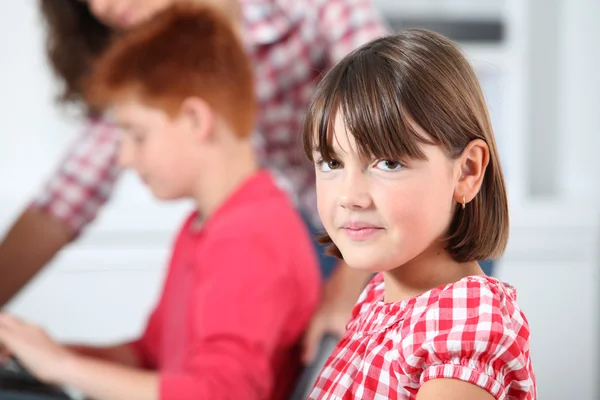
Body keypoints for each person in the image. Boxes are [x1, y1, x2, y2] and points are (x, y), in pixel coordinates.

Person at [0, 0, 390, 361]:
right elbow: (64, 201)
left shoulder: (312, 11)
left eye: (137, 136)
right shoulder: (202, 228)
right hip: (303, 232)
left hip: (377, 226)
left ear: (195, 118)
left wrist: (349, 284)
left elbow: (395, 128)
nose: (100, 7)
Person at [302, 29, 536, 399]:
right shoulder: (381, 293)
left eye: (389, 163)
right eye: (331, 162)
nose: (349, 196)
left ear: (467, 172)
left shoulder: (465, 328)